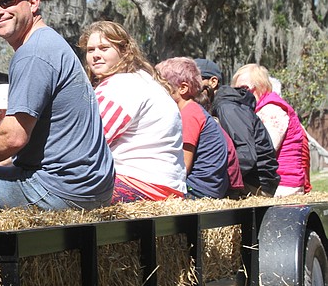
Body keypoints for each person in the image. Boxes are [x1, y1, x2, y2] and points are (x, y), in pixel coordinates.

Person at [0, 0, 114, 210]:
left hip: (61, 191)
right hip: (93, 190)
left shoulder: (33, 53)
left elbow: (12, 137)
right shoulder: (51, 43)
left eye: (7, 1)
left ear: (34, 3)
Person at [79, 21, 186, 203]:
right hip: (170, 188)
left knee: (53, 193)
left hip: (142, 186)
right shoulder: (144, 81)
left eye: (104, 48)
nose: (96, 55)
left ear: (124, 51)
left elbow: (88, 142)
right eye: (91, 50)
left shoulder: (122, 85)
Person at [195, 58, 279, 197]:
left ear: (213, 82)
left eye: (196, 80)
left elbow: (246, 155)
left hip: (256, 186)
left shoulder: (227, 107)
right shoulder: (219, 106)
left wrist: (212, 176)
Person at [232, 63, 311, 196]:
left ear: (261, 86)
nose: (240, 94)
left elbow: (264, 151)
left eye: (244, 88)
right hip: (272, 182)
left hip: (282, 185)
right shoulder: (261, 109)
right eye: (236, 90)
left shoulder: (272, 110)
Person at [156, 58, 230, 199]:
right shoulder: (193, 110)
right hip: (205, 188)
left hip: (197, 190)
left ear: (183, 88)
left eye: (162, 86)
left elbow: (183, 166)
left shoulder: (189, 114)